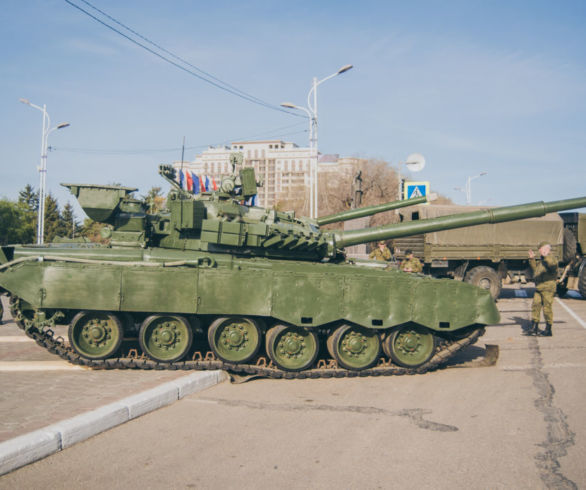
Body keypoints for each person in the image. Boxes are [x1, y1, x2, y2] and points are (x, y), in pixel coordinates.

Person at [528, 241, 557, 336]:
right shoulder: (542, 260)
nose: (540, 251)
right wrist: (532, 259)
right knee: (535, 306)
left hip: (547, 288)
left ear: (546, 249)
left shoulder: (551, 258)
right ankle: (534, 327)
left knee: (547, 308)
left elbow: (552, 266)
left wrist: (546, 256)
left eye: (541, 250)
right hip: (539, 287)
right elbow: (536, 270)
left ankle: (548, 329)